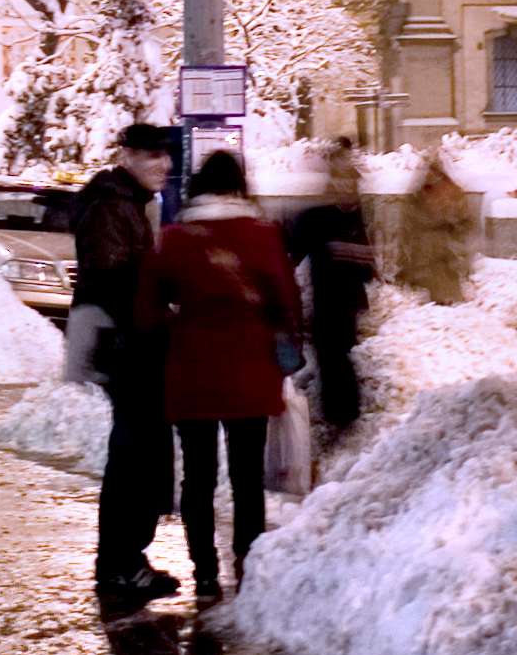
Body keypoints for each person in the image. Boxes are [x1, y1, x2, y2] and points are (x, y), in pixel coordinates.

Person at [137, 152, 302, 600]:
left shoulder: (174, 238)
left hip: (192, 370)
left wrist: (178, 327)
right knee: (248, 475)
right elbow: (286, 300)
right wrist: (289, 346)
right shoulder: (263, 235)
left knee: (199, 475)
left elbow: (147, 308)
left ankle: (204, 573)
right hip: (250, 370)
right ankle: (246, 562)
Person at [76, 125, 182, 605]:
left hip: (129, 342)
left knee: (141, 450)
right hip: (125, 346)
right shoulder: (112, 207)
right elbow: (113, 276)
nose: (164, 166)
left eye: (166, 157)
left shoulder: (128, 203)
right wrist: (159, 289)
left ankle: (126, 559)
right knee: (134, 454)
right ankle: (118, 564)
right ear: (128, 157)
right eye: (153, 157)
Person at [283, 140, 373, 435]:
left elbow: (367, 264)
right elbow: (294, 250)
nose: (346, 185)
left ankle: (343, 415)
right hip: (328, 297)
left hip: (345, 299)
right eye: (340, 177)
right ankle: (340, 413)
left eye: (349, 180)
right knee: (330, 354)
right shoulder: (319, 215)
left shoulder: (356, 214)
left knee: (340, 354)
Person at [393, 153, 475, 304]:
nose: (430, 175)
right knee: (431, 291)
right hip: (425, 251)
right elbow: (406, 225)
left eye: (433, 172)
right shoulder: (417, 194)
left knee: (447, 290)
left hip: (444, 251)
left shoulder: (451, 191)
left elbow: (464, 221)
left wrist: (459, 241)